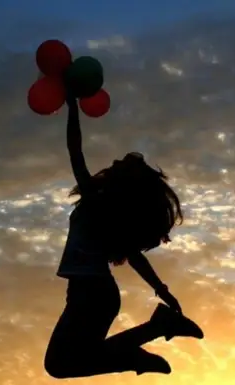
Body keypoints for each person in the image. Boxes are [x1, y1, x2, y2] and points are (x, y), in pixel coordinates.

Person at [43, 95, 204, 379]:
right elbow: (134, 256)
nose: (114, 163)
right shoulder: (108, 210)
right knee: (67, 362)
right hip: (91, 292)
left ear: (124, 181)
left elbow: (75, 152)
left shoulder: (98, 204)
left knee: (60, 364)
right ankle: (155, 331)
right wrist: (162, 290)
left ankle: (153, 334)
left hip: (92, 293)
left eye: (121, 166)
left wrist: (71, 109)